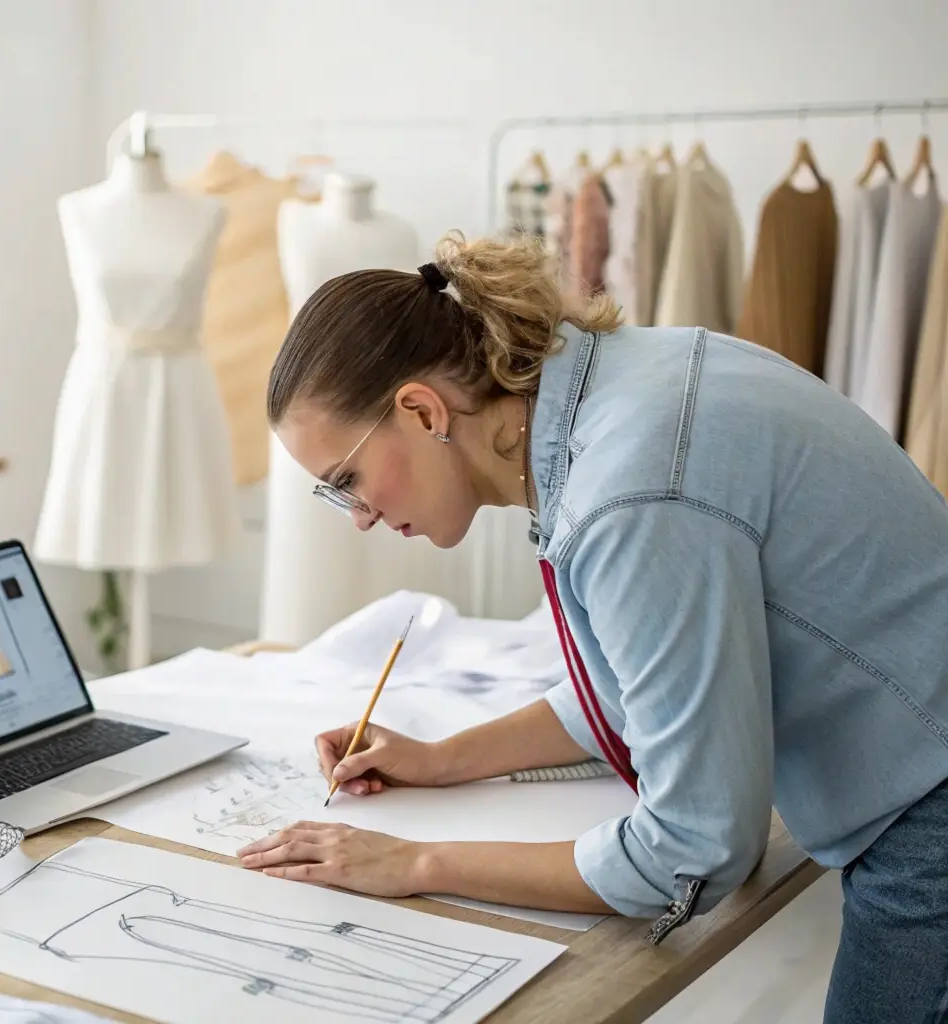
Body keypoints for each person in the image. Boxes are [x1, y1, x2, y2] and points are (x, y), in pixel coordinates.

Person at [237, 231, 948, 1022]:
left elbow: (694, 850)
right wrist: (441, 761)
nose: (360, 518)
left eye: (347, 482)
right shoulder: (615, 390)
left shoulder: (629, 494)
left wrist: (415, 861)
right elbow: (643, 679)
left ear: (421, 408)